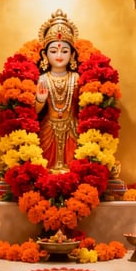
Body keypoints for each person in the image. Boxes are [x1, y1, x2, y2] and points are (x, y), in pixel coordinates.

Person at [35, 10, 81, 173]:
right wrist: (40, 100)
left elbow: (83, 108)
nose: (59, 55)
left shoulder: (76, 79)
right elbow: (32, 112)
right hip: (48, 129)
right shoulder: (42, 79)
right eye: (53, 51)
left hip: (72, 129)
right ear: (45, 55)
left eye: (65, 51)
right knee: (48, 169)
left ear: (72, 54)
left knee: (71, 168)